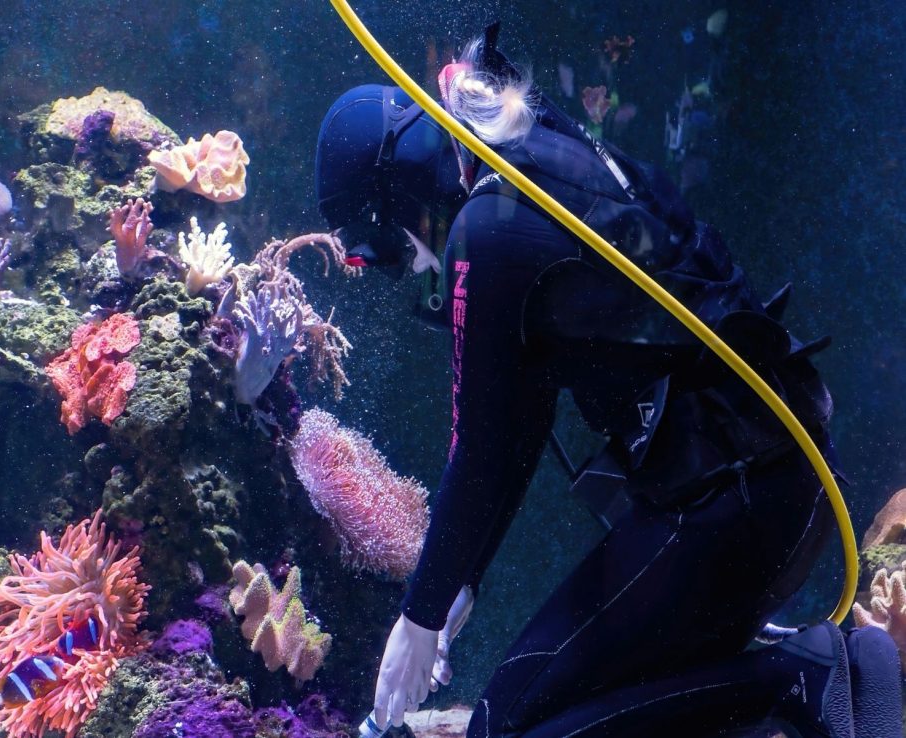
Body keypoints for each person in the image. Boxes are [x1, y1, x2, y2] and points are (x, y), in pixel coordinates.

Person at [315, 25, 903, 738]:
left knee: (508, 729)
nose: (398, 267)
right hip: (771, 487)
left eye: (377, 249)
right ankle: (814, 686)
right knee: (541, 707)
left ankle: (803, 680)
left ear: (397, 193)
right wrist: (456, 584)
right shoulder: (529, 167)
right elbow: (517, 424)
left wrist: (419, 616)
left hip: (733, 507)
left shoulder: (487, 230)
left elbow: (480, 449)